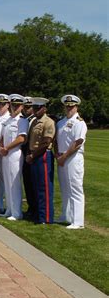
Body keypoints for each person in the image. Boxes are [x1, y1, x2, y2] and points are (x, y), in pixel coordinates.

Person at [56, 95, 87, 229]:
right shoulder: (61, 122)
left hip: (73, 158)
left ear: (76, 107)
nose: (69, 108)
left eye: (72, 106)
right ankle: (66, 215)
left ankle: (78, 221)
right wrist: (58, 154)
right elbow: (56, 141)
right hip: (61, 157)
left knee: (75, 189)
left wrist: (65, 156)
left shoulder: (79, 122)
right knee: (65, 188)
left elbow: (78, 142)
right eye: (67, 106)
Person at [0, 94, 29, 220]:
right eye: (13, 105)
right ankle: (9, 209)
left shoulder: (22, 121)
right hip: (5, 153)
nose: (14, 108)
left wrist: (7, 148)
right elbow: (2, 137)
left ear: (21, 106)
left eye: (17, 106)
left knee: (14, 183)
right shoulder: (7, 121)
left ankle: (16, 212)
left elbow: (22, 138)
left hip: (14, 153)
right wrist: (1, 147)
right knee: (7, 182)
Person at [26, 97, 55, 224]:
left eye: (39, 108)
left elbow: (46, 142)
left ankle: (46, 217)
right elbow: (30, 141)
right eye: (35, 108)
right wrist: (29, 154)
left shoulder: (48, 122)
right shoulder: (33, 122)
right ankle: (37, 214)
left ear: (44, 108)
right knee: (35, 187)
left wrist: (32, 156)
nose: (36, 110)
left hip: (42, 156)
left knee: (44, 188)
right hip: (33, 155)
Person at [0, 93, 11, 214]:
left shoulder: (10, 118)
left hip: (6, 152)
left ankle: (8, 205)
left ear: (8, 105)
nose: (0, 106)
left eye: (3, 104)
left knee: (7, 179)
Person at [21, 97, 36, 220]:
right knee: (27, 182)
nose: (27, 109)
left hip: (32, 154)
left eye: (29, 107)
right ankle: (31, 208)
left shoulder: (35, 120)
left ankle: (35, 209)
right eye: (25, 107)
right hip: (24, 154)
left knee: (33, 183)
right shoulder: (24, 120)